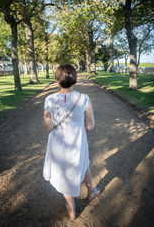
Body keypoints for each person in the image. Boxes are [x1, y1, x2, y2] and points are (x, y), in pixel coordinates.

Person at [43, 64, 100, 221]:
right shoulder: (84, 98)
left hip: (57, 145)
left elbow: (48, 126)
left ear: (57, 81)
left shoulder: (50, 99)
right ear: (74, 80)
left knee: (63, 174)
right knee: (84, 163)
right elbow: (90, 126)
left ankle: (71, 208)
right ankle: (91, 191)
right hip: (77, 144)